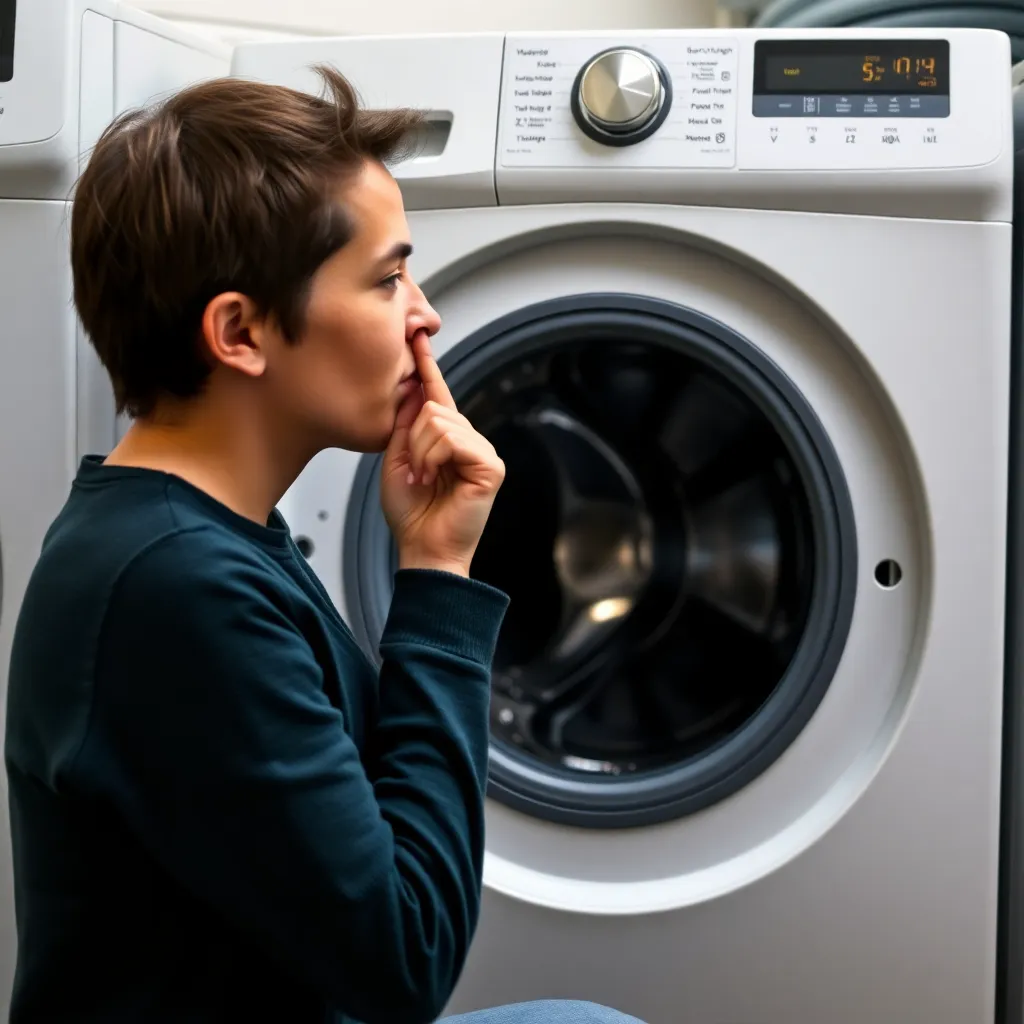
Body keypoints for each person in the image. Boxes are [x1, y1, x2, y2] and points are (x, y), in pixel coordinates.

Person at [2, 63, 645, 1024]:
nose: (425, 314)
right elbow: (401, 960)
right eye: (387, 278)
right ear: (241, 332)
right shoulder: (177, 587)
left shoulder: (200, 541)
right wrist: (435, 580)